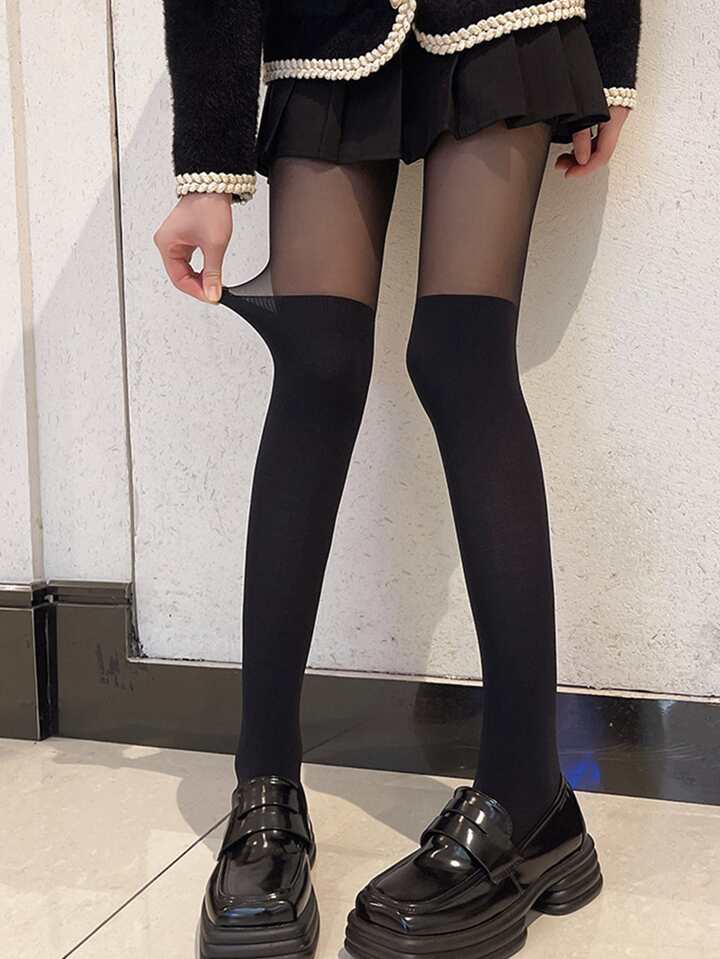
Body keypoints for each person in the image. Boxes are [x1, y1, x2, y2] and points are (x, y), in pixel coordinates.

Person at [153, 3, 642, 958]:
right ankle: (264, 785)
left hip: (501, 19)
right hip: (327, 30)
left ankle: (528, 796)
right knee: (318, 364)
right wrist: (209, 162)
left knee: (463, 361)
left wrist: (609, 52)